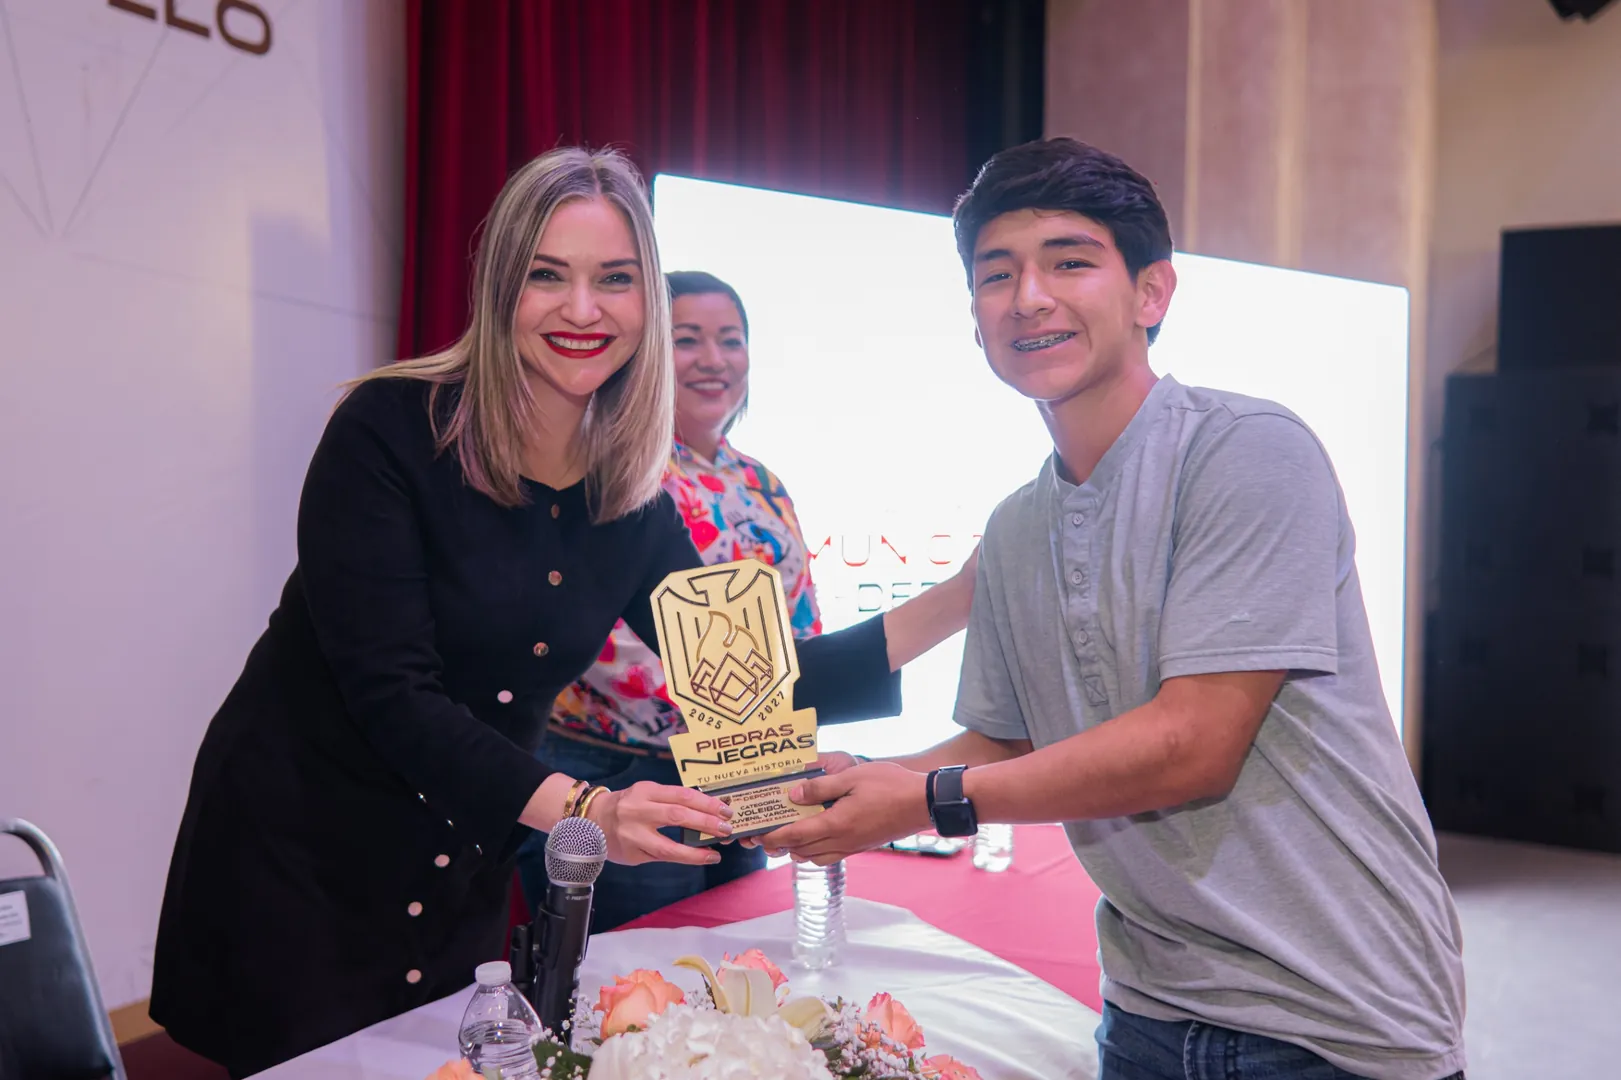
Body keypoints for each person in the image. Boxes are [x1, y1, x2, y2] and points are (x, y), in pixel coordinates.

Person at [149, 146, 970, 1079]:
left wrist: (963, 595)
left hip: (460, 855)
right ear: (501, 287)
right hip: (305, 850)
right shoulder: (390, 428)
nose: (583, 310)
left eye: (614, 279)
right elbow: (392, 694)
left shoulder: (631, 496)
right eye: (548, 276)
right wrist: (589, 810)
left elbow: (754, 681)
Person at [757, 138, 1468, 1080]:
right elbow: (1007, 740)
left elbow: (1192, 744)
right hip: (1145, 1002)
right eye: (996, 274)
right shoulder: (1016, 525)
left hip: (1333, 1009)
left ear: (1150, 293)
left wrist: (919, 800)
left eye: (1069, 262)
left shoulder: (1246, 449)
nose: (1028, 297)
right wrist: (871, 781)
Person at [514, 270, 977, 932]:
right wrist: (955, 599)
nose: (714, 360)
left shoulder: (761, 483)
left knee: (734, 962)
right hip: (618, 775)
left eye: (730, 340)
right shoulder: (607, 471)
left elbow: (798, 627)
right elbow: (624, 655)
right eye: (687, 340)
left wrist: (779, 762)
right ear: (645, 353)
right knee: (633, 976)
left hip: (745, 775)